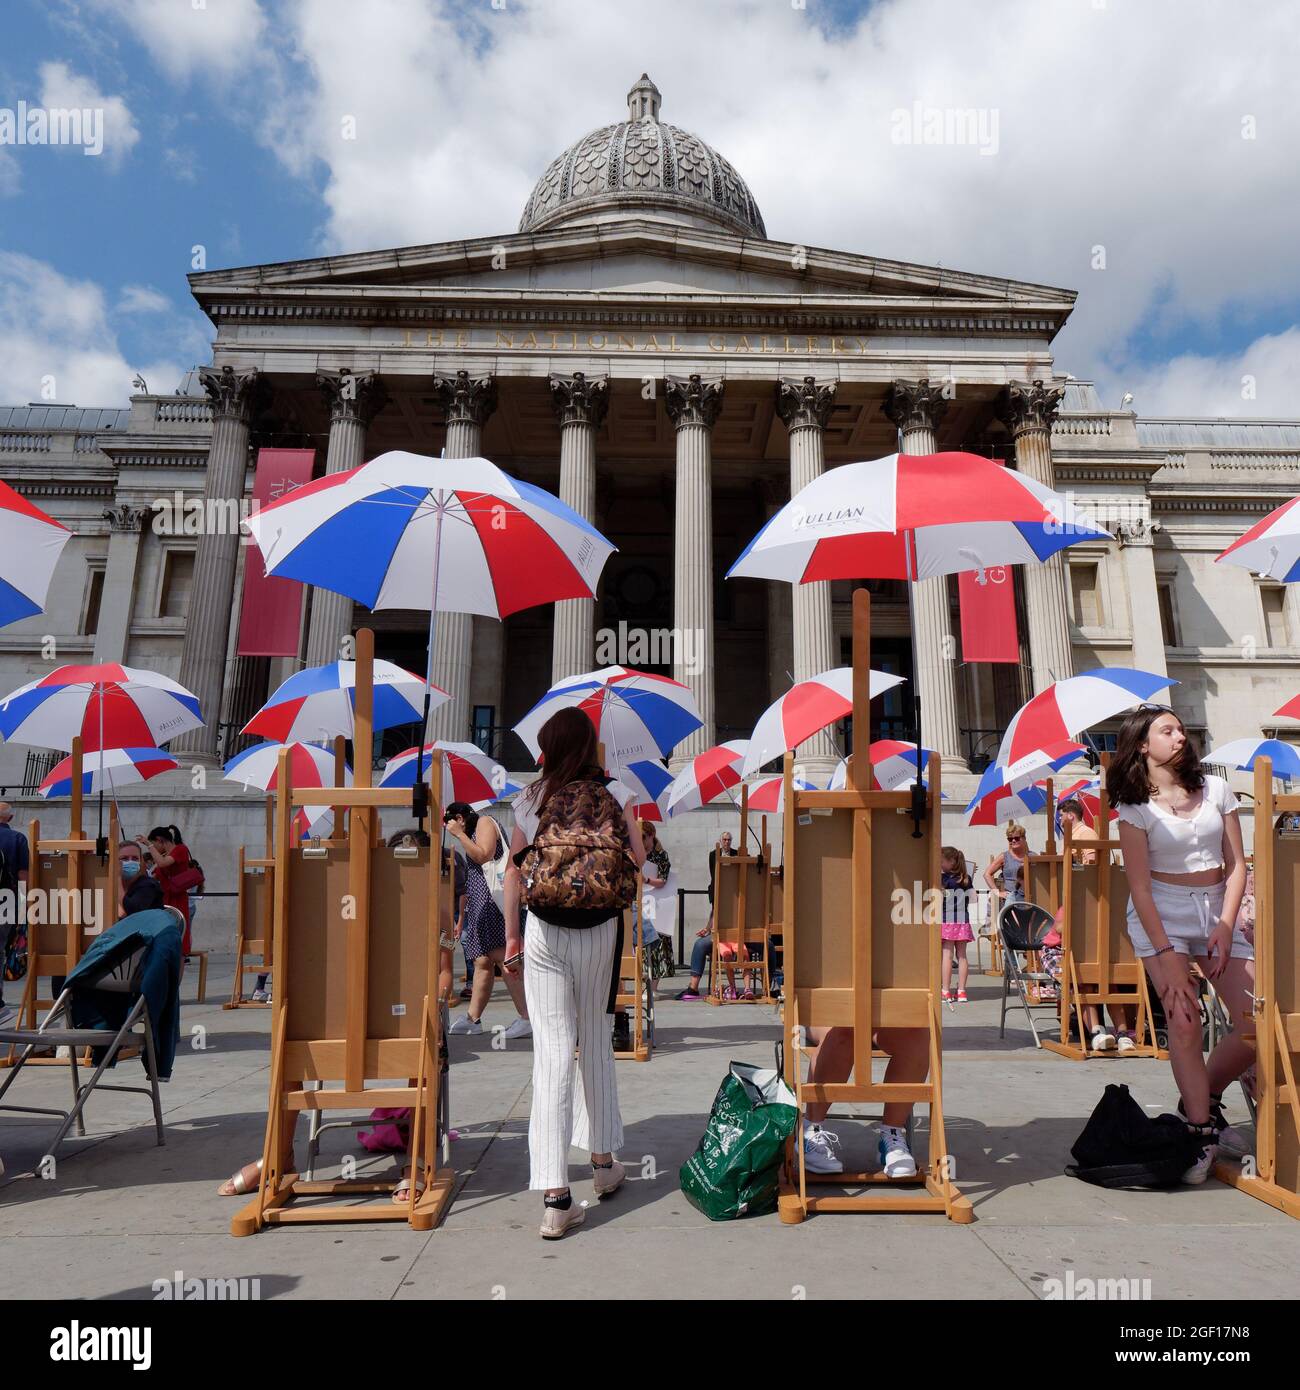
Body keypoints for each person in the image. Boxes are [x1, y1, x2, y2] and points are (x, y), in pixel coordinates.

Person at [502, 707, 646, 1239]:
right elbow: (638, 862)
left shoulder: (531, 796)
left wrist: (513, 935)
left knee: (553, 1052)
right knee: (596, 1042)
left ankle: (555, 1196)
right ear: (589, 747)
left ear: (547, 747)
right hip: (600, 928)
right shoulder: (618, 791)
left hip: (543, 930)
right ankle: (604, 1165)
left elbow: (513, 872)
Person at [1109, 705, 1254, 1184]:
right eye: (1166, 730)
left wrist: (1227, 922)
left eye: (1180, 728)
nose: (1179, 736)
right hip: (1162, 913)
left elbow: (1237, 866)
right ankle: (1199, 1133)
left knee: (1254, 1018)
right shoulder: (1134, 808)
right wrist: (1168, 954)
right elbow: (1140, 888)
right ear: (1142, 746)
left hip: (1217, 907)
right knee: (1185, 1020)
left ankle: (1206, 1099)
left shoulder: (1216, 788)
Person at [444, 801, 530, 1040]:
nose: (448, 826)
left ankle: (527, 1016)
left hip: (494, 900)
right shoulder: (471, 830)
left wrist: (460, 835)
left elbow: (484, 855)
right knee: (482, 960)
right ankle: (473, 1018)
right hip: (482, 902)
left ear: (460, 818)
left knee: (506, 959)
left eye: (450, 821)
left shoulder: (483, 822)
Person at [1056, 797, 1137, 1051]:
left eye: (1061, 815)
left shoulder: (1084, 834)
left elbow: (1092, 865)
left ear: (1070, 814)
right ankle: (1108, 1031)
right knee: (1096, 975)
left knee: (1092, 975)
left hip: (1089, 909)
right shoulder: (1077, 835)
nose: (1059, 820)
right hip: (1090, 911)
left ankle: (1105, 1031)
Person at [799, 1024, 928, 1179]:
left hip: (880, 1016)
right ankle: (811, 1130)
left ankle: (892, 1135)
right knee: (842, 1030)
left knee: (917, 1033)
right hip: (826, 1014)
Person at [674, 830, 737, 1001]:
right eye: (724, 839)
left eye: (728, 840)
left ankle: (695, 987)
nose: (726, 842)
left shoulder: (739, 895)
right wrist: (708, 928)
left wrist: (710, 929)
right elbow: (715, 913)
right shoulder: (718, 892)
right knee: (701, 943)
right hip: (721, 932)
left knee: (700, 945)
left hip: (731, 937)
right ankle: (693, 987)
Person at [136, 825, 194, 957]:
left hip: (176, 897)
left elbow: (162, 863)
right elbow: (153, 875)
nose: (154, 848)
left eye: (154, 844)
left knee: (178, 929)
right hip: (164, 897)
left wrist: (149, 845)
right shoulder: (164, 854)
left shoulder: (180, 849)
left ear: (160, 840)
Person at [0, 801, 29, 1027]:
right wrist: (24, 905)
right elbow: (23, 876)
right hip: (6, 901)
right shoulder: (17, 839)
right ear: (9, 819)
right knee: (1, 950)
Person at [939, 847, 973, 1003]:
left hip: (947, 919)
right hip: (963, 919)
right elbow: (974, 899)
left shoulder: (943, 879)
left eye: (942, 861)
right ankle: (962, 992)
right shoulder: (966, 878)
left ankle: (945, 990)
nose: (939, 863)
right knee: (962, 956)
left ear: (951, 861)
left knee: (947, 955)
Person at [983, 821, 1029, 906]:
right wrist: (997, 892)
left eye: (1017, 838)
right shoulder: (1004, 856)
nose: (1013, 841)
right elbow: (987, 874)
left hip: (1030, 897)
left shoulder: (1032, 856)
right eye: (1010, 839)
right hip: (1011, 898)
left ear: (1024, 838)